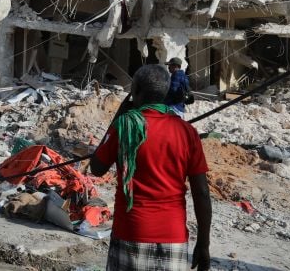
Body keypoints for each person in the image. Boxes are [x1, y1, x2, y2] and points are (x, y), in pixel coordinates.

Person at [90, 64, 212, 271]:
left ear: (134, 92)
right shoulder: (187, 132)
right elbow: (201, 192)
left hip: (131, 232)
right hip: (173, 237)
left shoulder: (124, 126)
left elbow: (96, 168)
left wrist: (117, 118)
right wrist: (203, 243)